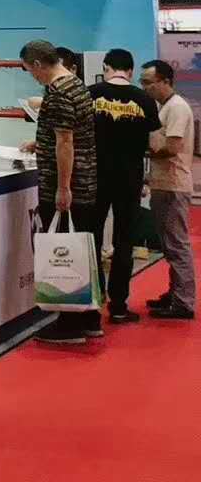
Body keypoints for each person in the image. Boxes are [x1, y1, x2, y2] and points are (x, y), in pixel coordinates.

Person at [19, 39, 100, 344]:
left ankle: (69, 324)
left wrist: (63, 188)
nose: (33, 77)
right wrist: (41, 143)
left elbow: (66, 141)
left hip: (68, 184)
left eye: (30, 71)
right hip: (86, 179)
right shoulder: (77, 85)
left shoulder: (58, 93)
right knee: (84, 249)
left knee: (65, 253)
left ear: (38, 64)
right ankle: (90, 318)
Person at [88, 48, 160, 323]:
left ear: (106, 67)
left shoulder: (90, 94)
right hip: (129, 179)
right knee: (124, 241)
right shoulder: (144, 99)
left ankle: (93, 303)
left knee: (92, 238)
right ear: (130, 71)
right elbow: (155, 144)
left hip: (94, 177)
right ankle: (118, 306)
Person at [140, 60, 196, 320]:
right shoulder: (165, 107)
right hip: (163, 184)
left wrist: (141, 152)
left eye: (149, 82)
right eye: (142, 82)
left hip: (173, 185)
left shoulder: (177, 108)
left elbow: (172, 147)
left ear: (166, 81)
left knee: (177, 245)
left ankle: (184, 301)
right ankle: (176, 293)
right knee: (169, 245)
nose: (145, 87)